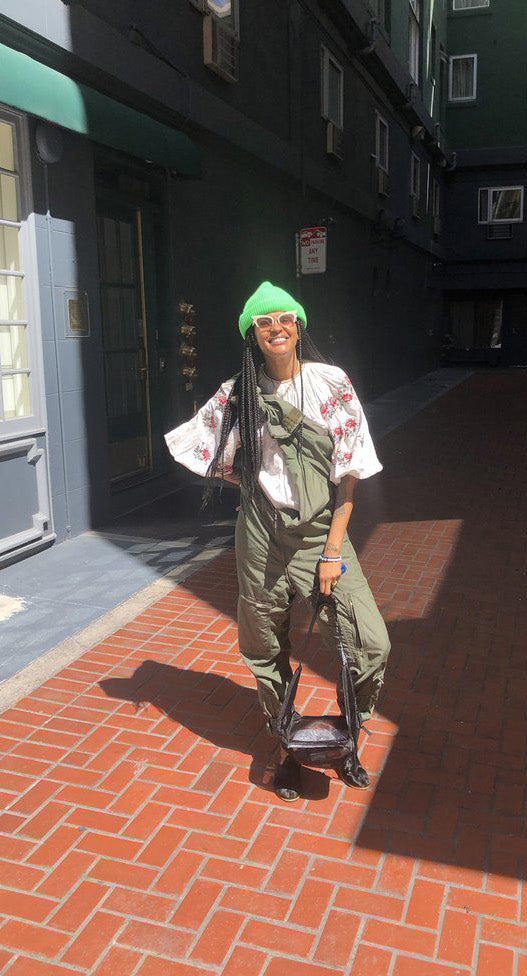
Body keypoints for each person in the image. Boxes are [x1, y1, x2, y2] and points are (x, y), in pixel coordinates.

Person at [165, 281, 391, 800]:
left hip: (318, 536)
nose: (275, 327)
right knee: (264, 644)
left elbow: (351, 472)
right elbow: (211, 453)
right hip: (260, 535)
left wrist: (333, 551)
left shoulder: (330, 383)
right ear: (253, 335)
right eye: (263, 322)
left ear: (298, 325)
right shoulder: (238, 392)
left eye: (283, 318)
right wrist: (254, 488)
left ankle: (347, 734)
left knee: (371, 643)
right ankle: (287, 743)